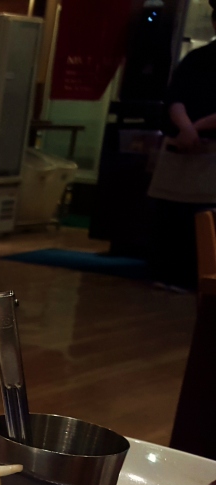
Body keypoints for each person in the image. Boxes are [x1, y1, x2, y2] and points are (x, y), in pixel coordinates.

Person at [146, 1, 216, 290]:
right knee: (180, 217)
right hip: (188, 147)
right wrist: (190, 128)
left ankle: (175, 274)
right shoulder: (197, 59)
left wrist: (190, 127)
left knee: (185, 217)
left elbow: (175, 100)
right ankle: (177, 275)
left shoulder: (195, 58)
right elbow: (174, 98)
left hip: (192, 145)